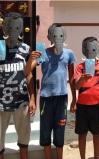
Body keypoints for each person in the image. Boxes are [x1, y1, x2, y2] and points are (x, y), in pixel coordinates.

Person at [26, 23, 76, 159]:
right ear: (50, 36)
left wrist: (74, 100)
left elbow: (72, 79)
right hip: (45, 99)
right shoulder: (44, 53)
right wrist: (32, 58)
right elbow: (27, 71)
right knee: (46, 132)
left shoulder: (69, 54)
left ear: (64, 36)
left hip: (62, 99)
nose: (57, 37)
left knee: (60, 131)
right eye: (54, 34)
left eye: (60, 34)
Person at [0, 12, 36, 159]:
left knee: (24, 140)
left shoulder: (26, 49)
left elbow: (29, 75)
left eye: (17, 28)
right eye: (10, 27)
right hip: (1, 103)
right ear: (4, 28)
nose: (13, 31)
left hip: (21, 101)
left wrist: (32, 98)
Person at [73, 37, 99, 159]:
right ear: (84, 50)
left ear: (98, 49)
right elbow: (76, 87)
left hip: (97, 106)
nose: (91, 51)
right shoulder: (79, 67)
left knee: (97, 134)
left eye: (94, 48)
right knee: (82, 134)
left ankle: (96, 157)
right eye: (88, 49)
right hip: (82, 106)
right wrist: (83, 79)